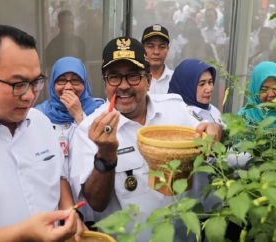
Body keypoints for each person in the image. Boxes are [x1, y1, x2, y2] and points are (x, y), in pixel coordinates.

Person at [69, 37, 224, 241]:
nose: (123, 86)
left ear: (149, 80)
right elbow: (96, 203)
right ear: (105, 83)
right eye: (114, 77)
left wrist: (217, 129)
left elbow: (211, 138)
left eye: (133, 76)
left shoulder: (175, 109)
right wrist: (106, 156)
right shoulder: (88, 131)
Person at [0, 25, 85, 241]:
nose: (30, 95)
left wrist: (70, 213)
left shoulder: (41, 123)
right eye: (18, 84)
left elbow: (57, 177)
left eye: (36, 82)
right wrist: (21, 234)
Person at [35, 56, 104, 227]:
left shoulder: (98, 110)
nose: (68, 87)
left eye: (75, 81)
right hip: (53, 204)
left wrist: (79, 115)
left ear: (85, 83)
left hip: (91, 201)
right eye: (61, 81)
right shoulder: (38, 115)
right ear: (52, 84)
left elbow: (102, 150)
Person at [168, 58, 223, 212]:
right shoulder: (180, 114)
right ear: (187, 85)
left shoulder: (212, 110)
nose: (209, 88)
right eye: (201, 84)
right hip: (192, 201)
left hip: (214, 197)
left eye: (210, 82)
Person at [141, 24, 174, 94]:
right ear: (142, 49)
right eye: (150, 46)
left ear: (167, 50)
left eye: (161, 47)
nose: (156, 52)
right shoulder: (135, 80)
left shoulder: (176, 79)